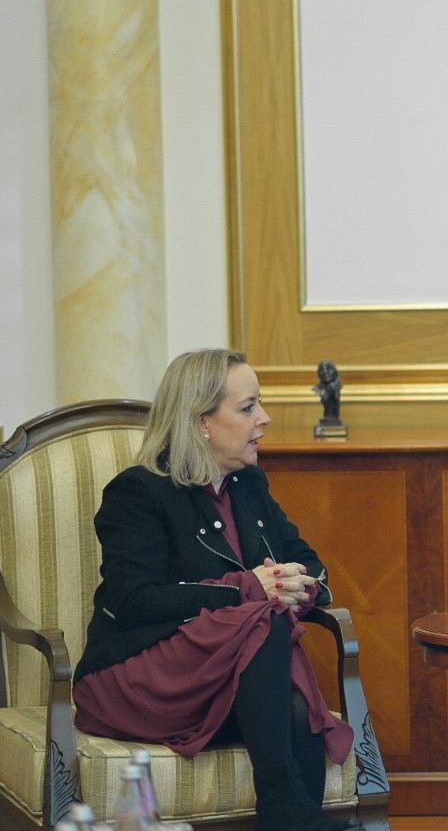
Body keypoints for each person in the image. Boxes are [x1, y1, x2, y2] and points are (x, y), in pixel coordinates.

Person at [72, 349, 362, 831]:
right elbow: (134, 601)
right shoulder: (139, 492)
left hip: (224, 675)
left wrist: (295, 585)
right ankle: (285, 812)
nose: (264, 418)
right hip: (138, 675)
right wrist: (249, 588)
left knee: (293, 704)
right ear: (201, 422)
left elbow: (311, 564)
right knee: (264, 616)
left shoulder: (249, 485)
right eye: (248, 407)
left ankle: (293, 817)